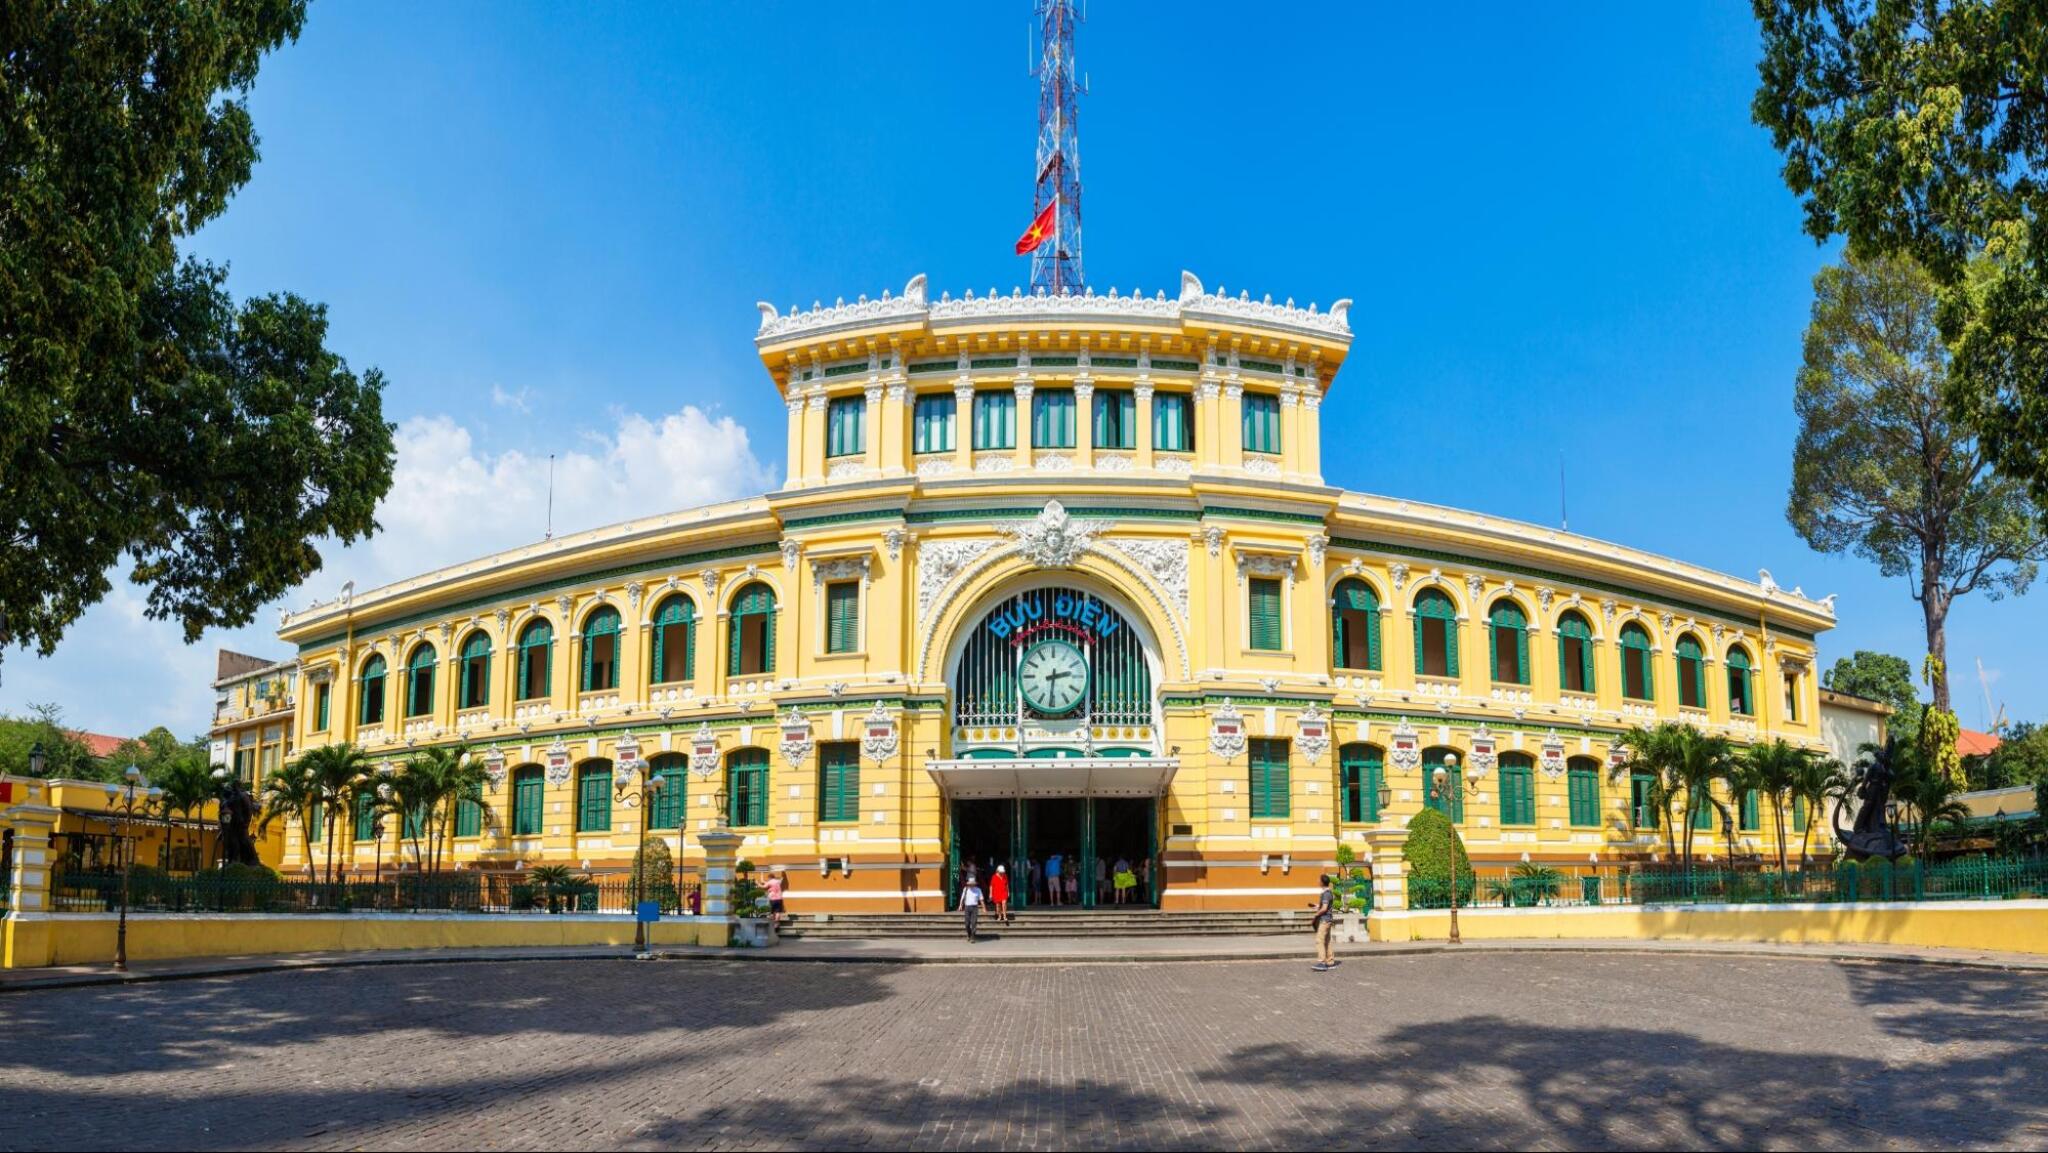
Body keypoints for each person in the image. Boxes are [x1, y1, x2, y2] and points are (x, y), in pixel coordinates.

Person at [1309, 873, 1337, 971]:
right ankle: (1330, 961)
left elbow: (1324, 908)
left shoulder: (1325, 894)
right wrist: (1318, 906)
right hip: (1329, 919)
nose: (1317, 881)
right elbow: (1326, 906)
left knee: (1319, 940)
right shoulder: (1329, 892)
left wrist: (1317, 914)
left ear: (1321, 882)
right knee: (1327, 941)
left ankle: (1321, 962)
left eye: (1318, 880)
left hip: (1324, 920)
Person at [961, 871, 984, 942]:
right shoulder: (966, 889)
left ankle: (972, 937)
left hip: (974, 907)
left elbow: (981, 899)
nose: (971, 885)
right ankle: (969, 933)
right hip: (967, 907)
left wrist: (984, 908)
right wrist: (960, 905)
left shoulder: (978, 890)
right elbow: (962, 897)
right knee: (967, 923)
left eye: (972, 884)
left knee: (974, 922)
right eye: (970, 884)